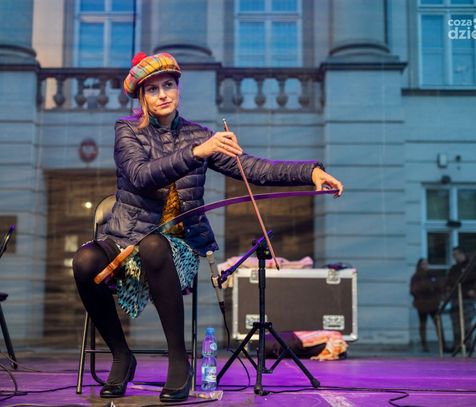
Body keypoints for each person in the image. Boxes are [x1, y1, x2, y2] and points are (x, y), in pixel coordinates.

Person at [72, 51, 343, 402]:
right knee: (84, 262)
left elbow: (255, 169)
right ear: (142, 96)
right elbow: (140, 176)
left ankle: (179, 361)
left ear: (178, 88)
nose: (163, 94)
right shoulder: (127, 130)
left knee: (154, 246)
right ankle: (122, 356)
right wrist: (196, 153)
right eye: (153, 89)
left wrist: (310, 172)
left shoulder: (199, 135)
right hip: (125, 237)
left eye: (169, 85)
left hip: (178, 244)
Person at [443, 246, 476, 351]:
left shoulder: (471, 266)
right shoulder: (454, 268)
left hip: (467, 299)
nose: (454, 257)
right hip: (455, 298)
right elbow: (448, 281)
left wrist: (474, 291)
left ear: (462, 254)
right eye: (453, 255)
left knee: (466, 323)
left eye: (456, 254)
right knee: (456, 323)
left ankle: (468, 344)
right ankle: (457, 345)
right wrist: (448, 290)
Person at [410, 258, 442, 352]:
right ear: (419, 265)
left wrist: (438, 297)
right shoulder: (416, 276)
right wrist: (426, 286)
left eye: (427, 264)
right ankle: (424, 345)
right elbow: (413, 290)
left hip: (433, 303)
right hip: (422, 304)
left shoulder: (432, 274)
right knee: (423, 325)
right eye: (423, 264)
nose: (425, 266)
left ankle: (442, 344)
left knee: (438, 324)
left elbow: (439, 286)